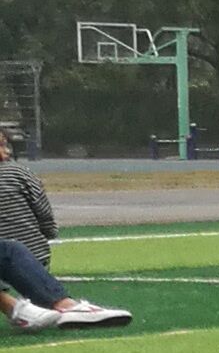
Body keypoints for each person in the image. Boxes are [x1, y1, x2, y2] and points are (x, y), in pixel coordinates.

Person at [0, 122, 130, 330]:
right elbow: (44, 213)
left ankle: (51, 308)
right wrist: (48, 234)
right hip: (33, 259)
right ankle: (31, 308)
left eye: (4, 145)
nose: (5, 151)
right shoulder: (19, 173)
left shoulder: (16, 173)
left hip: (19, 259)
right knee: (11, 249)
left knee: (10, 249)